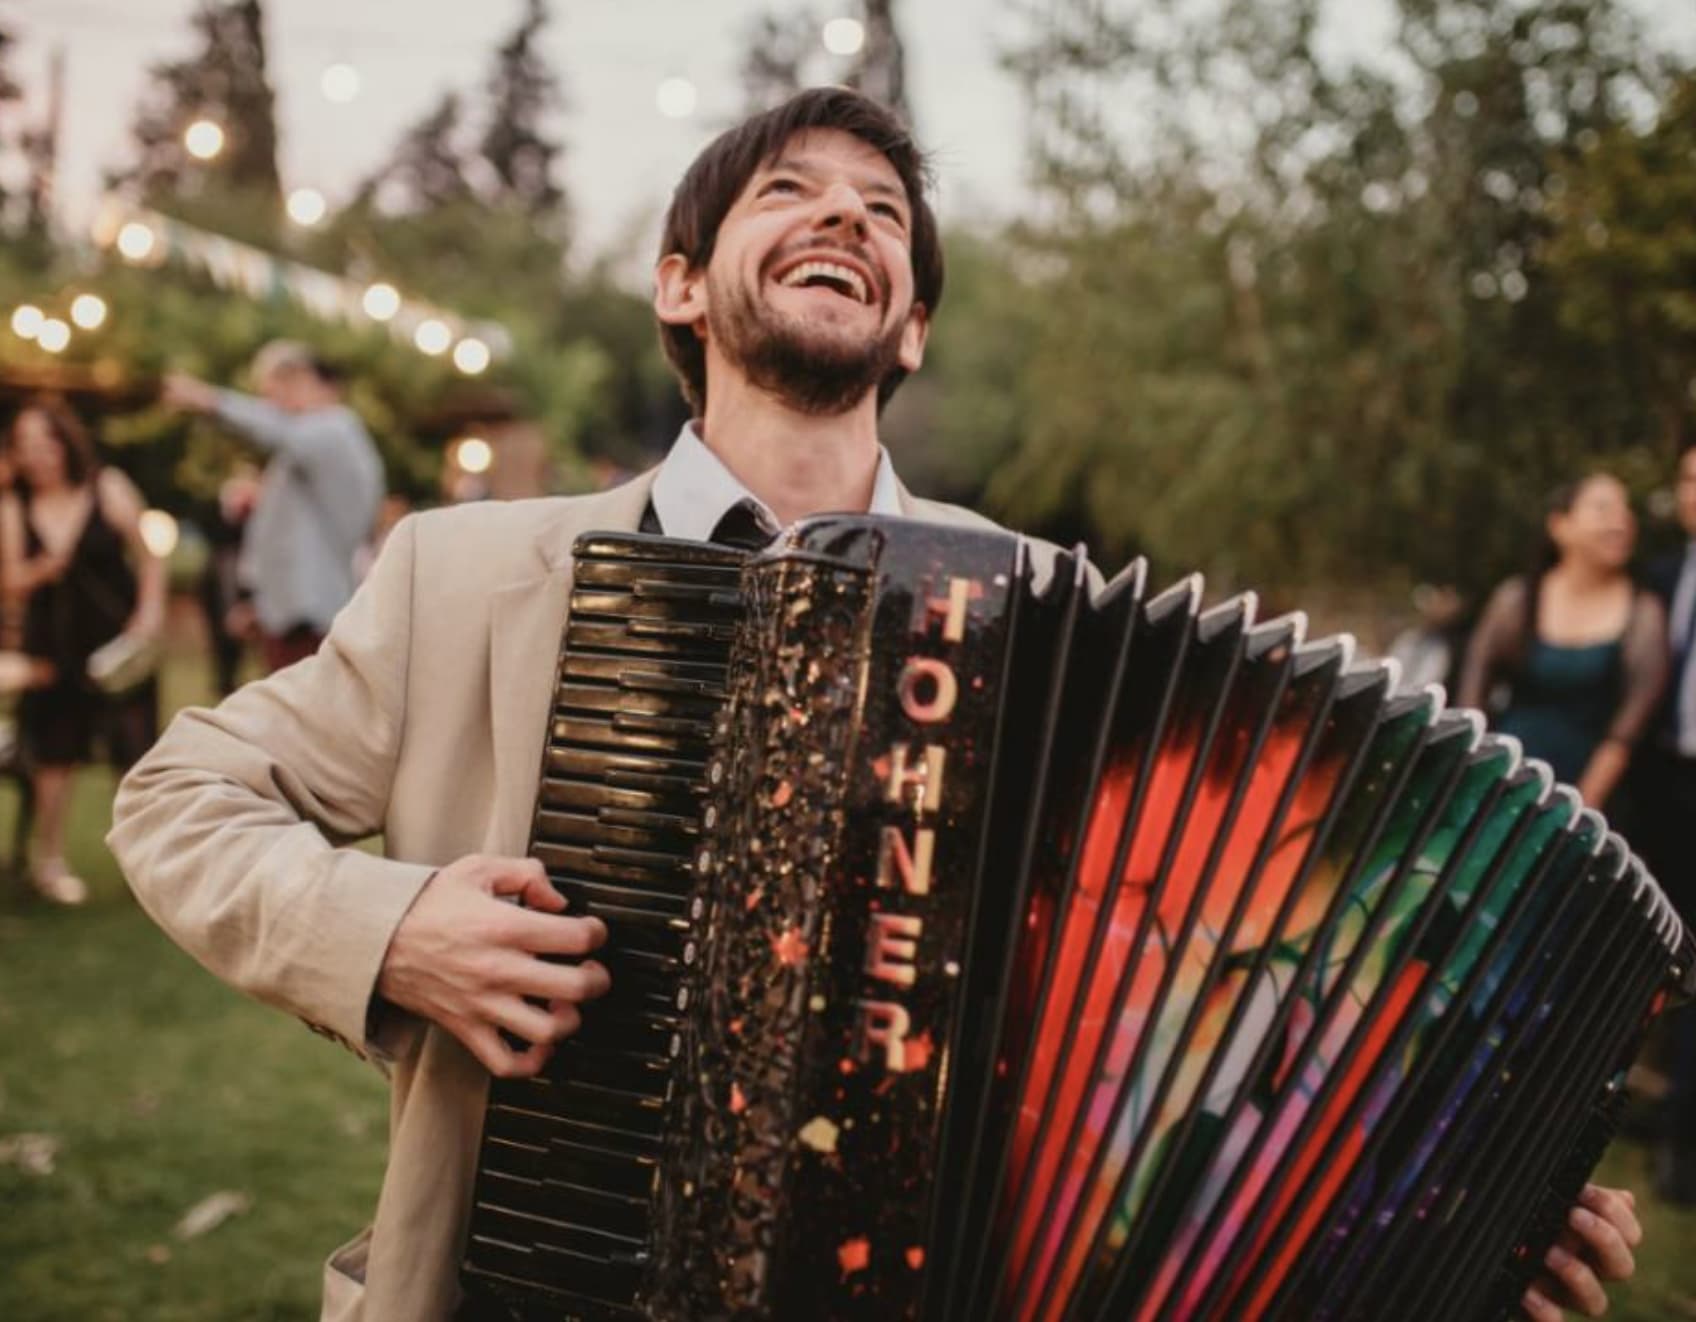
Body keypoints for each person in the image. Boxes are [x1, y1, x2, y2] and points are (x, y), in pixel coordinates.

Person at [109, 89, 1642, 1322]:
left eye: (884, 211)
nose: (845, 211)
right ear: (681, 284)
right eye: (787, 190)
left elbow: (1222, 1003)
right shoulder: (467, 573)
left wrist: (1461, 1189)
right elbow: (177, 796)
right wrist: (394, 930)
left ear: (908, 325)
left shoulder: (1064, 618)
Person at [0, 397, 165, 905]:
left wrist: (149, 614)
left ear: (64, 440)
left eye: (45, 441)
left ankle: (152, 870)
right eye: (25, 445)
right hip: (54, 651)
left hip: (116, 643)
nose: (38, 454)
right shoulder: (12, 506)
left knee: (135, 758)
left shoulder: (106, 486)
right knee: (55, 756)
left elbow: (149, 555)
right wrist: (39, 571)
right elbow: (10, 582)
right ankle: (50, 860)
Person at [161, 343, 383, 672]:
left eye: (272, 392)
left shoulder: (334, 428)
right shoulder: (306, 448)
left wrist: (208, 399)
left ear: (301, 379)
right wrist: (258, 603)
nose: (269, 404)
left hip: (310, 613)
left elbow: (274, 429)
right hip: (291, 613)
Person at [1457, 473, 1667, 815]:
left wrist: (1582, 805)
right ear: (1560, 525)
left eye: (1626, 510)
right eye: (1603, 508)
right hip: (1504, 774)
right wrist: (1479, 774)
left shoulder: (1644, 612)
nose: (1621, 521)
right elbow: (1473, 694)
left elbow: (1629, 727)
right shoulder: (1517, 599)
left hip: (1588, 790)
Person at [1635, 439, 1696, 1205]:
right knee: (1658, 949)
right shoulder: (1658, 580)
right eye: (1688, 477)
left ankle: (1683, 1140)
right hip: (1665, 790)